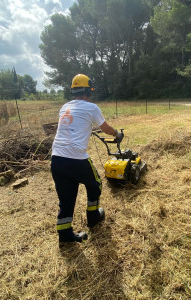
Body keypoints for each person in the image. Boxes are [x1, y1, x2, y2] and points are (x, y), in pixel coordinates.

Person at [51, 74, 124, 244]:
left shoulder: (64, 107)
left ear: (74, 91)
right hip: (76, 158)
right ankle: (93, 217)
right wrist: (116, 134)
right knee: (95, 183)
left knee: (66, 197)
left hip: (56, 159)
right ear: (89, 90)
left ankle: (64, 235)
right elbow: (105, 129)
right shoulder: (92, 108)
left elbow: (72, 126)